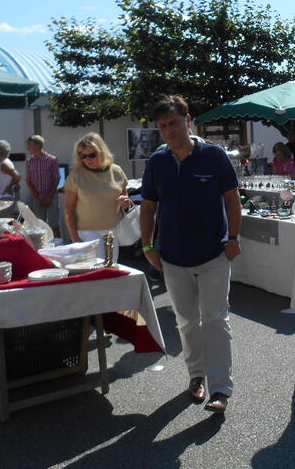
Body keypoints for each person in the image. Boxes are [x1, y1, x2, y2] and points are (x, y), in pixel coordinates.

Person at [139, 95, 241, 414]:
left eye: (173, 122)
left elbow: (232, 199)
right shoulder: (157, 162)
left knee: (215, 320)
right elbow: (148, 207)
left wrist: (233, 237)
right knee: (186, 322)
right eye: (162, 126)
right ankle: (196, 376)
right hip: (172, 256)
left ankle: (220, 388)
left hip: (213, 254)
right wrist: (147, 246)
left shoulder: (213, 155)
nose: (169, 130)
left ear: (188, 120)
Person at [63, 133, 129, 263]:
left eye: (92, 155)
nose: (87, 159)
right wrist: (75, 238)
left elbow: (125, 198)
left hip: (113, 230)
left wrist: (125, 201)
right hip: (87, 232)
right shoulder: (76, 175)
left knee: (111, 267)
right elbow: (69, 210)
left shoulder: (116, 171)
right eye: (83, 156)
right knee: (96, 269)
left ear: (102, 152)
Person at [25, 135, 61, 236]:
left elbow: (56, 178)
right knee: (39, 225)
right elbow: (28, 180)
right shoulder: (29, 162)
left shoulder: (52, 160)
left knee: (54, 224)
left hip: (51, 196)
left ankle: (58, 242)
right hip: (37, 197)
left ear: (37, 146)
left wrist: (49, 196)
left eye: (29, 145)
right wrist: (36, 195)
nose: (27, 148)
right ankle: (43, 243)